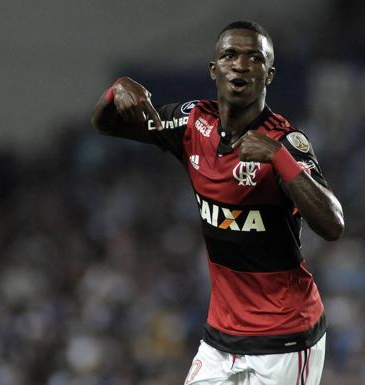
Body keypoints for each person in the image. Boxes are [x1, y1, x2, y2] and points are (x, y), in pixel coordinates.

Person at [91, 20, 344, 385]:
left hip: (285, 339)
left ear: (269, 75)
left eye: (254, 58)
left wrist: (278, 157)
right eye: (230, 55)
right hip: (221, 338)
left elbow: (333, 224)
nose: (241, 65)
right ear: (214, 69)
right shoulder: (194, 123)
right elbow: (107, 124)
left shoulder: (285, 141)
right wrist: (116, 91)